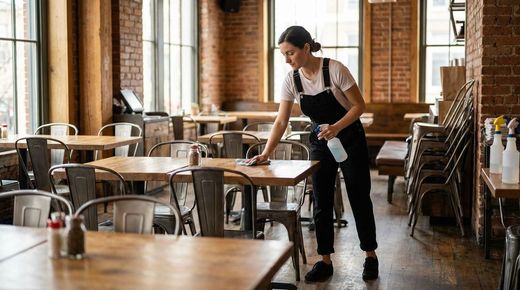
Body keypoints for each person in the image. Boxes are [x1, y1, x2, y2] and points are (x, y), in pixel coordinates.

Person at [249, 26, 379, 282]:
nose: (287, 60)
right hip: (320, 141)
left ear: (306, 47)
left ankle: (370, 256)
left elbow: (359, 106)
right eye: (284, 54)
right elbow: (280, 121)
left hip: (350, 137)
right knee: (321, 201)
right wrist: (266, 152)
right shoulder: (292, 80)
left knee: (358, 196)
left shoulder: (334, 70)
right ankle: (325, 261)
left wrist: (337, 127)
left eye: (291, 53)